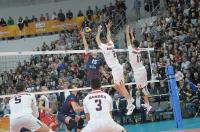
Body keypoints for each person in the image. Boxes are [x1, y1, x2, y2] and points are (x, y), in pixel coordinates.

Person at [96, 20, 135, 115]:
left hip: (116, 69)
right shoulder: (111, 45)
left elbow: (97, 40)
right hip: (116, 68)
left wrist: (99, 31)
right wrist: (108, 28)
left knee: (120, 87)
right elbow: (109, 37)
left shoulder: (104, 47)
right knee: (116, 86)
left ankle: (130, 103)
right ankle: (130, 99)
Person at [125, 25, 152, 114]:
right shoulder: (138, 49)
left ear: (133, 45)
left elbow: (129, 40)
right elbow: (133, 41)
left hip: (138, 72)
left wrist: (127, 32)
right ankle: (147, 105)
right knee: (143, 88)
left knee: (141, 90)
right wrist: (131, 33)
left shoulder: (131, 49)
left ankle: (147, 105)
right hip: (142, 69)